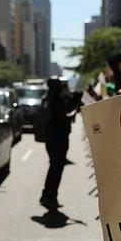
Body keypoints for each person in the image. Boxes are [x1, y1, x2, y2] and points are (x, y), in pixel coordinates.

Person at [38, 76, 78, 209]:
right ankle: (50, 197)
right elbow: (64, 117)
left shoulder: (47, 98)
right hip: (58, 139)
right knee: (56, 168)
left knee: (54, 167)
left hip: (50, 139)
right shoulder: (56, 99)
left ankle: (47, 195)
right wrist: (75, 111)